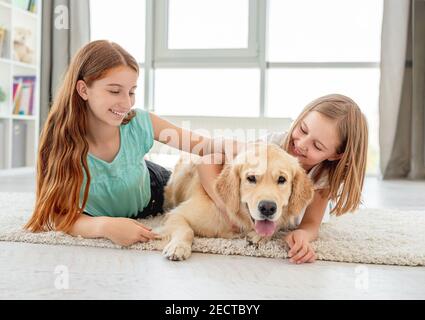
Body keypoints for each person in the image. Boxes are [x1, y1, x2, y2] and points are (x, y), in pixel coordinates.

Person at [25, 40, 235, 247]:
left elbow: (204, 146)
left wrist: (245, 149)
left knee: (206, 166)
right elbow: (56, 216)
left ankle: (227, 208)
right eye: (115, 91)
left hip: (152, 189)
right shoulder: (59, 142)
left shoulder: (140, 122)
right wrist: (105, 226)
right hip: (99, 208)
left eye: (132, 91)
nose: (126, 103)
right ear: (83, 90)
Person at [198, 94, 368, 264]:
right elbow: (206, 159)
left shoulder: (323, 175)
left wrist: (303, 235)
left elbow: (311, 224)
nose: (301, 144)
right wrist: (225, 208)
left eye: (317, 146)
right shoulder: (268, 146)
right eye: (303, 129)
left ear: (336, 155)